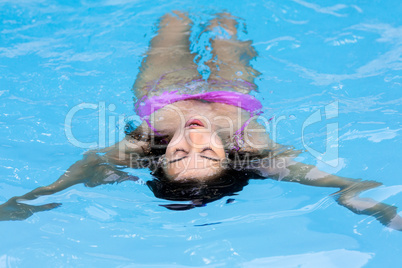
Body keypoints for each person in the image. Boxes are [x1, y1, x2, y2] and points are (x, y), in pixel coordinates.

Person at [1, 12, 401, 230]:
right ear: (230, 158)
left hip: (165, 89)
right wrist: (363, 200)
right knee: (227, 28)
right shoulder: (256, 150)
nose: (192, 139)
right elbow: (327, 181)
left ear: (161, 159)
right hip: (234, 91)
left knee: (172, 24)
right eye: (207, 152)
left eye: (177, 154)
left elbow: (88, 166)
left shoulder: (143, 146)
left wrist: (33, 199)